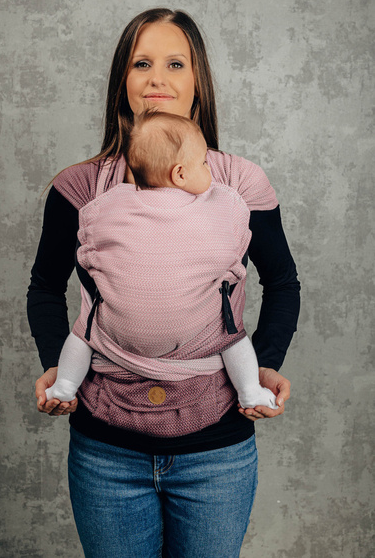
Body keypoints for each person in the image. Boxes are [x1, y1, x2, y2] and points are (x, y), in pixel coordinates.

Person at [27, 8, 300, 557]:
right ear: (121, 83)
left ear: (196, 81)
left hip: (217, 452)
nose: (157, 78)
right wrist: (56, 366)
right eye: (141, 63)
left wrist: (266, 361)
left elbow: (283, 281)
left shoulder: (239, 183)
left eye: (175, 63)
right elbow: (43, 285)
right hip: (106, 451)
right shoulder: (79, 186)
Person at [45, 109, 278, 414]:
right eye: (204, 163)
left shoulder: (106, 205)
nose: (209, 171)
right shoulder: (220, 206)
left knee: (84, 334)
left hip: (113, 335)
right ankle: (250, 393)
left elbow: (88, 251)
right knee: (231, 337)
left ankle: (63, 387)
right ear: (180, 173)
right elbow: (232, 261)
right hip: (201, 338)